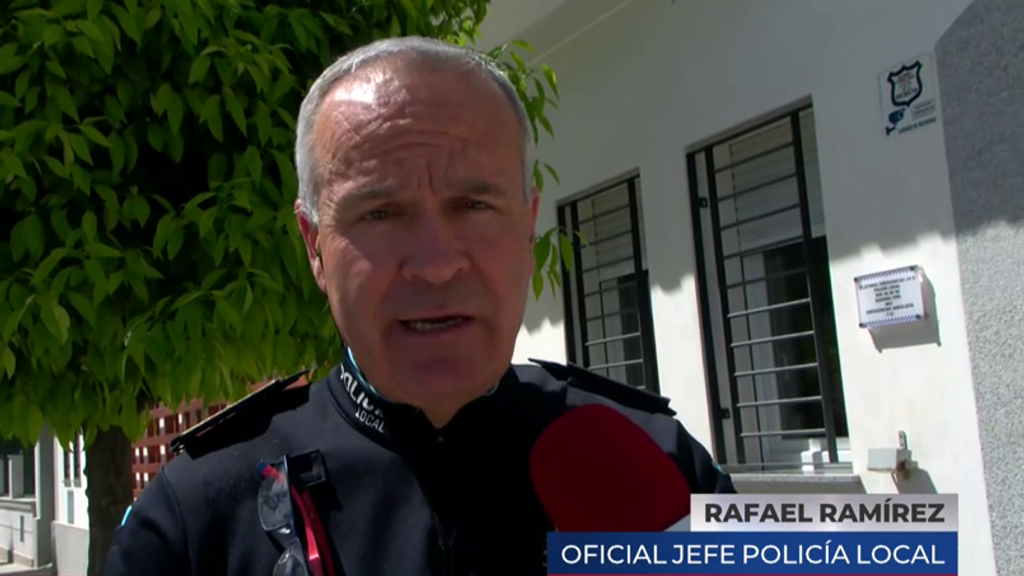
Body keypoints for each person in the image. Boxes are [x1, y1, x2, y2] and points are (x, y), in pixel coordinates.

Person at [104, 36, 734, 576]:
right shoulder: (195, 516)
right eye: (380, 213)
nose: (436, 263)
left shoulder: (665, 469)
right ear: (314, 246)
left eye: (474, 205)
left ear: (528, 225)